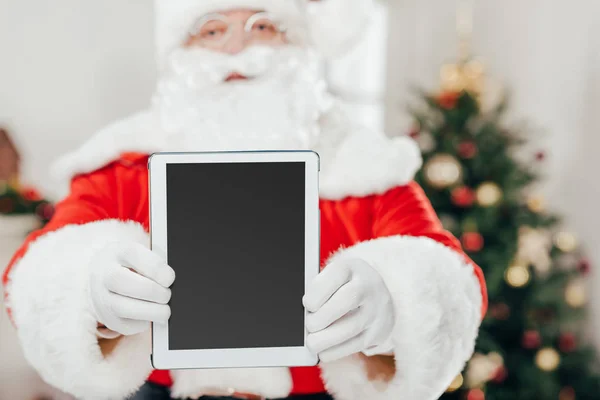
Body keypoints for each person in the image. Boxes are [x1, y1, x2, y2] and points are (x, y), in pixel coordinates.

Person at [2, 1, 488, 399]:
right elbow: (38, 268)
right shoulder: (122, 166)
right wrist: (89, 292)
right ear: (178, 53)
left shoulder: (366, 166)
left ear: (298, 43)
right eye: (211, 30)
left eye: (263, 26)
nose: (237, 48)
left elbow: (450, 275)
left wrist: (398, 301)